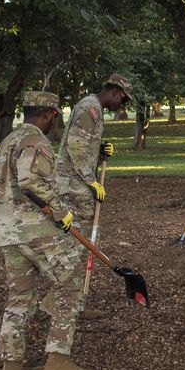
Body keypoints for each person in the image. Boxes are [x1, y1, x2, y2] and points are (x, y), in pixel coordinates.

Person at [0, 91, 92, 370]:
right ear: (49, 114)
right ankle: (57, 359)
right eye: (56, 117)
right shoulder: (35, 140)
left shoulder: (7, 141)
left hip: (8, 233)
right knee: (71, 283)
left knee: (20, 298)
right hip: (35, 231)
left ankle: (11, 369)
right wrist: (62, 212)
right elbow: (30, 182)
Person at [55, 73, 133, 318]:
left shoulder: (93, 107)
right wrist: (91, 181)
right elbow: (75, 147)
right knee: (75, 244)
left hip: (77, 184)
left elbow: (83, 145)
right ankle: (65, 303)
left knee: (78, 244)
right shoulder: (90, 108)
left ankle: (73, 303)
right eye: (123, 100)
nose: (122, 105)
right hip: (72, 186)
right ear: (114, 92)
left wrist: (99, 151)